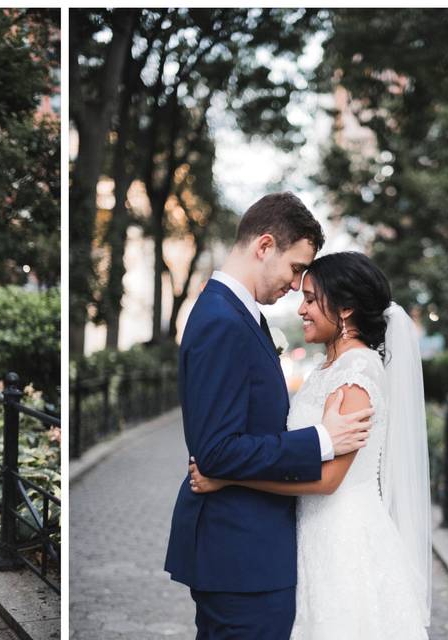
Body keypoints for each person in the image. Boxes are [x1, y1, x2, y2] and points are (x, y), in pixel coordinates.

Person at [163, 193, 375, 640]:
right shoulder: (224, 319)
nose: (296, 287)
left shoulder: (240, 315)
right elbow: (216, 450)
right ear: (264, 246)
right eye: (297, 269)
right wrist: (322, 439)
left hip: (251, 550)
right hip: (241, 555)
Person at [189, 252, 431, 639]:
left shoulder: (358, 373)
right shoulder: (326, 369)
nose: (300, 308)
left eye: (311, 299)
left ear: (346, 309)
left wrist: (229, 479)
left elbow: (328, 479)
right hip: (310, 534)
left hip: (344, 540)